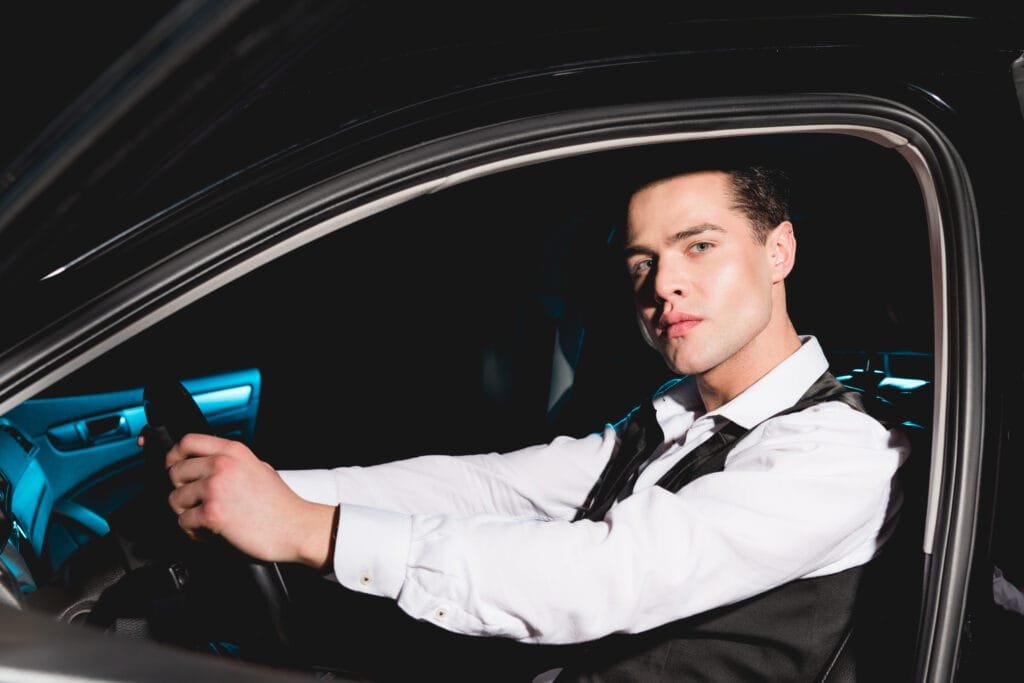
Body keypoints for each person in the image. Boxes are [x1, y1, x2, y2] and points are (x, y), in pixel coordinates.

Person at [153, 159, 910, 681]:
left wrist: (306, 529)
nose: (663, 285)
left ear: (778, 251)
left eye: (700, 246)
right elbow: (495, 488)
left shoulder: (840, 451)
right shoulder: (675, 415)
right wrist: (269, 491)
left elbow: (605, 574)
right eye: (641, 263)